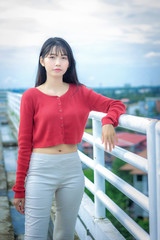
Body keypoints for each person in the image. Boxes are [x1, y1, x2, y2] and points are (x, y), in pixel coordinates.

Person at [12, 37, 126, 240]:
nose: (58, 62)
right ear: (42, 61)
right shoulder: (31, 96)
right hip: (40, 170)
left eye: (64, 57)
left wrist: (109, 121)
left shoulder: (80, 92)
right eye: (52, 57)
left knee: (65, 234)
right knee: (34, 235)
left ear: (69, 62)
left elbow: (116, 104)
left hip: (72, 170)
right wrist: (19, 188)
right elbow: (24, 143)